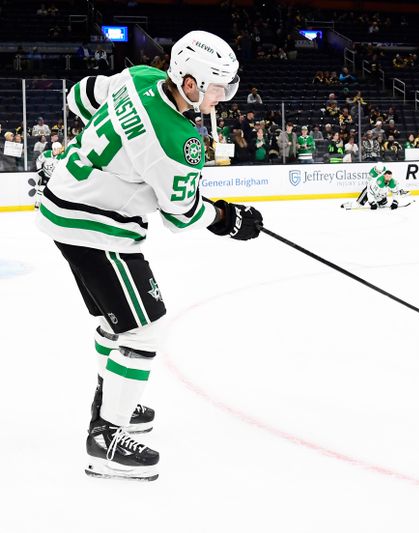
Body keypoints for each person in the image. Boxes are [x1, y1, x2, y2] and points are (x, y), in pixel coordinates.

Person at [38, 30, 263, 482]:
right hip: (97, 227)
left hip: (62, 204)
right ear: (190, 82)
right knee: (145, 329)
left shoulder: (139, 76)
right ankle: (106, 437)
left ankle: (115, 402)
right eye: (217, 87)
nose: (223, 97)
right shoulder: (180, 139)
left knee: (114, 322)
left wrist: (116, 151)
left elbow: (82, 96)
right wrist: (229, 220)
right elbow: (181, 216)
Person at [33, 141, 64, 207]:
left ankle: (52, 206)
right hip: (46, 175)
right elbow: (38, 161)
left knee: (55, 191)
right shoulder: (46, 154)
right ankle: (37, 203)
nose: (60, 150)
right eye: (59, 149)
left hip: (55, 177)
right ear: (54, 149)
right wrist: (39, 170)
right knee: (41, 188)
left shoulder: (61, 157)